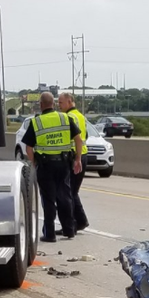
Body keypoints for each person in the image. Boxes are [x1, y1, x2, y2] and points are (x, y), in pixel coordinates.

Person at [20, 92, 83, 242]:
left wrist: (34, 163)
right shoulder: (65, 118)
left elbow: (29, 147)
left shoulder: (37, 122)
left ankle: (50, 234)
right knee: (65, 196)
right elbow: (78, 140)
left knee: (48, 199)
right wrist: (78, 159)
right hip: (64, 164)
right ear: (53, 104)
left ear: (41, 105)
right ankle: (69, 230)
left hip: (46, 166)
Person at [59, 93, 90, 231]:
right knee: (73, 191)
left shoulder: (69, 117)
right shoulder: (81, 116)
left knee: (68, 192)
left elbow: (67, 137)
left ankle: (72, 224)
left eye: (61, 103)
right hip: (83, 154)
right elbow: (86, 135)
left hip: (74, 157)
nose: (59, 106)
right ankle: (81, 221)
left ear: (70, 102)